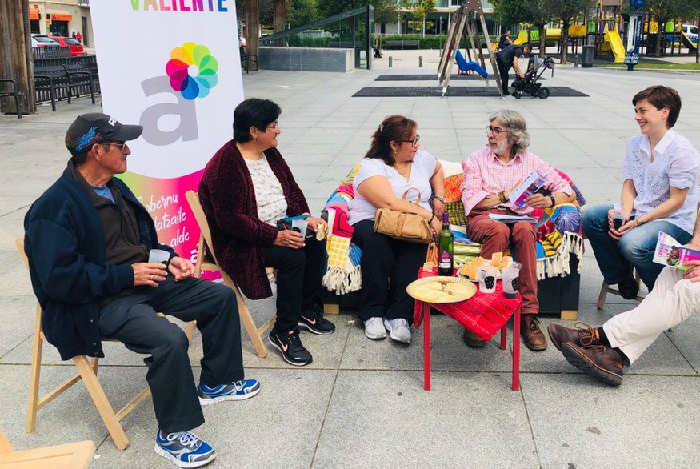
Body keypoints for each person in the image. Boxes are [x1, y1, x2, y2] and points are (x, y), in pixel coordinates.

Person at [24, 113, 259, 468]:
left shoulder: (116, 187)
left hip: (141, 281)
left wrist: (170, 259)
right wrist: (125, 276)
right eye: (121, 145)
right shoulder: (53, 208)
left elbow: (141, 243)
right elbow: (60, 280)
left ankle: (217, 381)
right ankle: (172, 435)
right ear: (97, 150)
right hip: (98, 302)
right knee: (169, 339)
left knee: (219, 297)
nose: (129, 151)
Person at [549, 78, 700, 387]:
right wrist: (694, 250)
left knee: (689, 290)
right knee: (672, 273)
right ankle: (616, 359)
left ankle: (598, 336)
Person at [199, 99, 334, 368]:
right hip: (241, 241)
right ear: (253, 131)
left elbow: (291, 190)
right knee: (293, 256)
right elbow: (232, 221)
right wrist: (274, 237)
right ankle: (284, 332)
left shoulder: (270, 153)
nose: (278, 131)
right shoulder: (225, 164)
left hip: (279, 226)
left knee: (316, 243)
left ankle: (305, 310)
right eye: (273, 126)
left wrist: (306, 218)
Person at [462, 109, 575, 351]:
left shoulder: (531, 161)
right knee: (499, 231)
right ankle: (483, 309)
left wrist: (550, 201)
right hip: (484, 218)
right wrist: (504, 195)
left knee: (524, 230)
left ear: (513, 136)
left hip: (518, 218)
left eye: (496, 130)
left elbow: (568, 190)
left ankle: (528, 315)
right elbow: (472, 200)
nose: (489, 135)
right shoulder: (476, 159)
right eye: (489, 129)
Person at [581, 86, 700, 298]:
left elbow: (676, 201)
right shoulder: (634, 144)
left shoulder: (682, 151)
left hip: (674, 221)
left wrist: (637, 222)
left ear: (664, 111)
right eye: (636, 111)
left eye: (642, 111)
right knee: (590, 216)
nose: (637, 117)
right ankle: (621, 276)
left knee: (632, 243)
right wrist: (625, 214)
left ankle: (661, 292)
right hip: (640, 211)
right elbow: (629, 184)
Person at [349, 115, 445, 344]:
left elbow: (438, 168)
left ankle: (400, 316)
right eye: (412, 141)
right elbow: (389, 203)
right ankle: (372, 313)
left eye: (417, 139)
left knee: (414, 249)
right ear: (394, 145)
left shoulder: (420, 159)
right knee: (378, 245)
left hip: (410, 224)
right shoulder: (371, 166)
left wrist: (439, 196)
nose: (417, 145)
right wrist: (428, 215)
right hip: (373, 219)